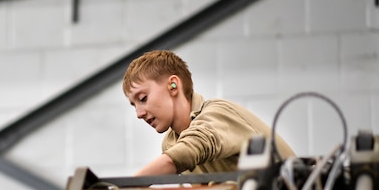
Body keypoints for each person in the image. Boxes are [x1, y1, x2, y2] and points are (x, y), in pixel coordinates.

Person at [123, 50, 295, 176]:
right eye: (134, 105)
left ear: (173, 86)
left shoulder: (217, 113)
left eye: (143, 98)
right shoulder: (171, 144)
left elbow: (193, 147)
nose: (139, 113)